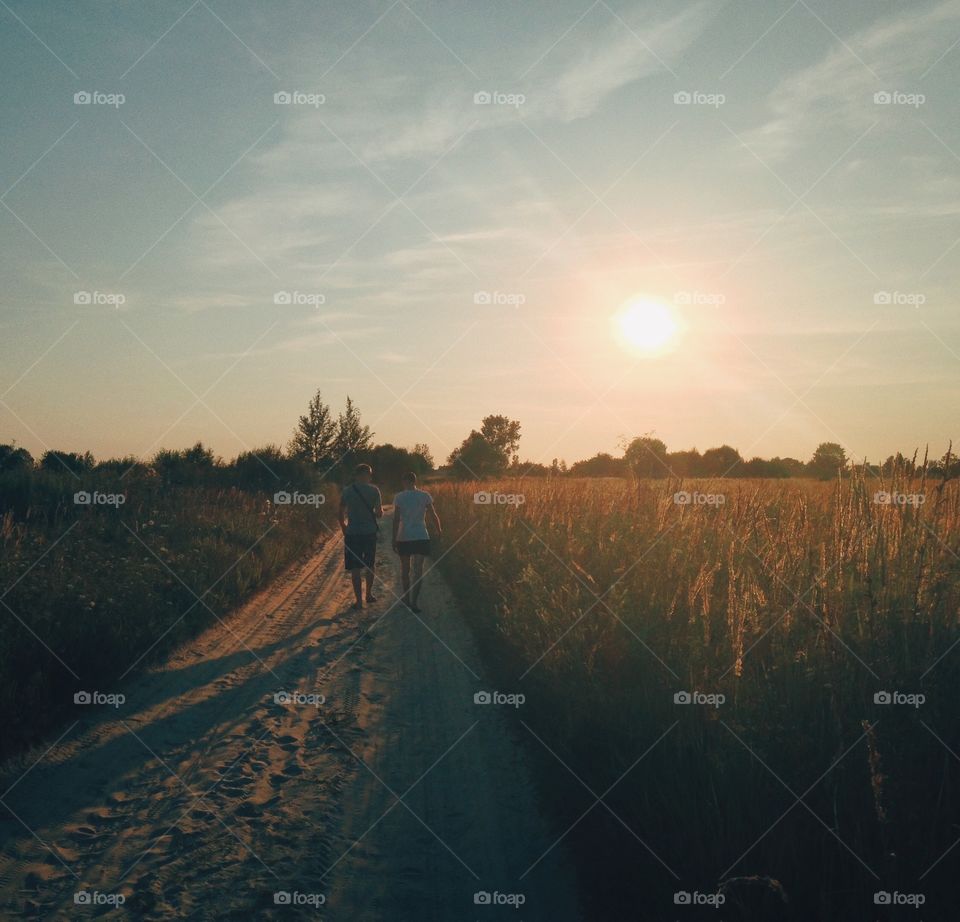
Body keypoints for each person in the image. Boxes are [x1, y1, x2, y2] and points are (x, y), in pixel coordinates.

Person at [392, 471, 441, 613]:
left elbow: (396, 520)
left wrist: (393, 538)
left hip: (404, 537)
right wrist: (439, 530)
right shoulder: (424, 495)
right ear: (415, 481)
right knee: (418, 571)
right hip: (421, 535)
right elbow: (433, 514)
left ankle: (406, 599)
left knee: (405, 570)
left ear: (405, 481)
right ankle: (414, 602)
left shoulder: (399, 497)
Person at [338, 463, 383, 610]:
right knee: (370, 564)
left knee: (355, 568)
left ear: (356, 475)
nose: (370, 477)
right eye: (369, 474)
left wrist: (343, 527)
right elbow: (379, 513)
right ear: (367, 475)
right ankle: (368, 595)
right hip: (369, 532)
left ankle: (358, 601)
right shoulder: (374, 490)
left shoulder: (347, 491)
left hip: (353, 533)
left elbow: (340, 511)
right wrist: (376, 513)